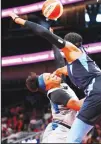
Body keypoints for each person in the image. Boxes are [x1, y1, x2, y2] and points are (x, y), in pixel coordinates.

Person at [9, 12, 101, 143]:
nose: (53, 74)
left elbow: (49, 41)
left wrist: (22, 22)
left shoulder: (73, 55)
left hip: (69, 123)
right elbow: (60, 62)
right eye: (49, 77)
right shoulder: (57, 91)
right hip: (59, 132)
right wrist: (53, 42)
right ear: (47, 85)